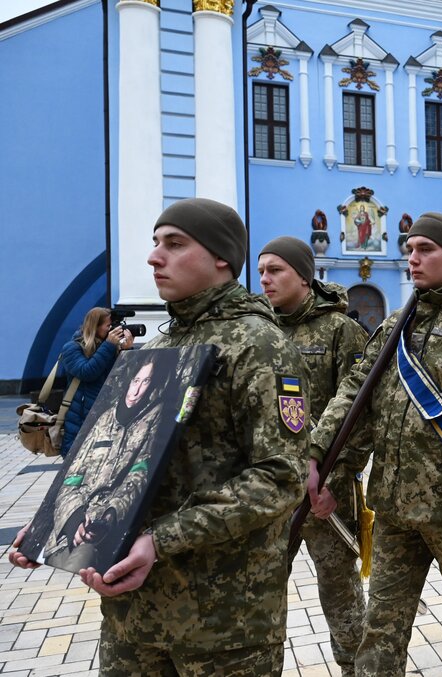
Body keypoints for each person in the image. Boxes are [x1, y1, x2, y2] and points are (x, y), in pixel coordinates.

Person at [13, 197, 311, 673]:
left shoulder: (260, 345)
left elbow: (280, 478)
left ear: (222, 258)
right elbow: (108, 456)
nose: (154, 256)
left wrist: (161, 539)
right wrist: (53, 523)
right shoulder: (160, 346)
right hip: (133, 613)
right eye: (155, 243)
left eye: (174, 244)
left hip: (222, 620)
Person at [311, 212, 442, 676]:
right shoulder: (395, 327)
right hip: (395, 509)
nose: (413, 258)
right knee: (380, 628)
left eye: (426, 249)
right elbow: (355, 395)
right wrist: (319, 457)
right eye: (410, 250)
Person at [257, 236, 368, 677]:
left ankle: (354, 668)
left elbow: (363, 413)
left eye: (276, 270)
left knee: (339, 592)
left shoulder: (341, 331)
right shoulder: (257, 331)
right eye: (261, 270)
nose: (265, 279)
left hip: (326, 495)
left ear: (304, 276)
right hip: (267, 493)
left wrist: (336, 480)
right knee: (261, 591)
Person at [41, 355, 164, 572]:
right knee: (61, 561)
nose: (136, 390)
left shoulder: (152, 420)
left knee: (83, 562)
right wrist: (75, 520)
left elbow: (139, 475)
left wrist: (110, 514)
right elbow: (72, 476)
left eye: (145, 382)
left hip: (105, 528)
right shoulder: (105, 419)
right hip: (68, 525)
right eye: (136, 381)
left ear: (153, 386)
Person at [60, 307, 134, 455]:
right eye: (109, 326)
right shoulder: (72, 348)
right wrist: (108, 345)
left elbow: (128, 377)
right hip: (81, 418)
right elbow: (86, 372)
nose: (113, 330)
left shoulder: (110, 348)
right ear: (95, 326)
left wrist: (127, 351)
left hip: (109, 415)